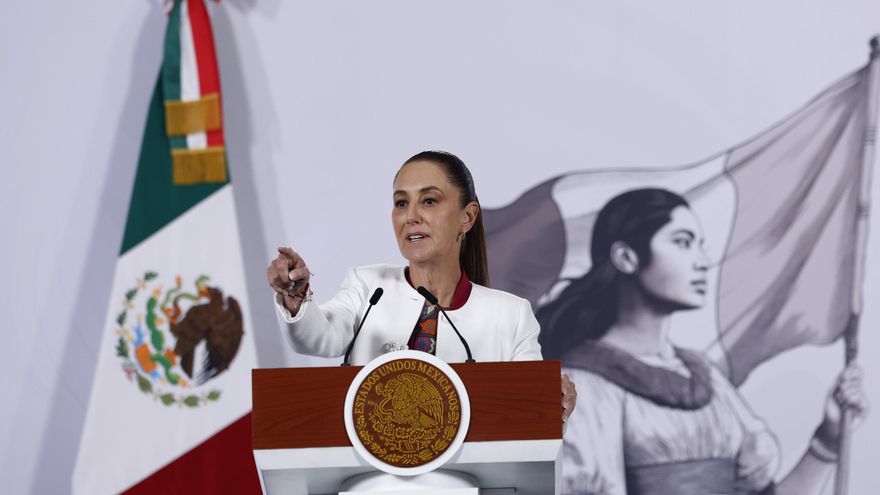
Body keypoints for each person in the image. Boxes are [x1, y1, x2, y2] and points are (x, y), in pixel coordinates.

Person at [537, 188, 869, 495]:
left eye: (700, 244)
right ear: (627, 258)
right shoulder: (576, 384)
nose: (701, 261)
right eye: (682, 242)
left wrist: (828, 439)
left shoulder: (706, 378)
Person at [267, 150, 576, 421]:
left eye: (429, 201)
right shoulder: (368, 288)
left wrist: (555, 402)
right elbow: (318, 337)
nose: (410, 216)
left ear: (467, 217)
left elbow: (530, 420)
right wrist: (295, 296)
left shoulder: (511, 316)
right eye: (401, 203)